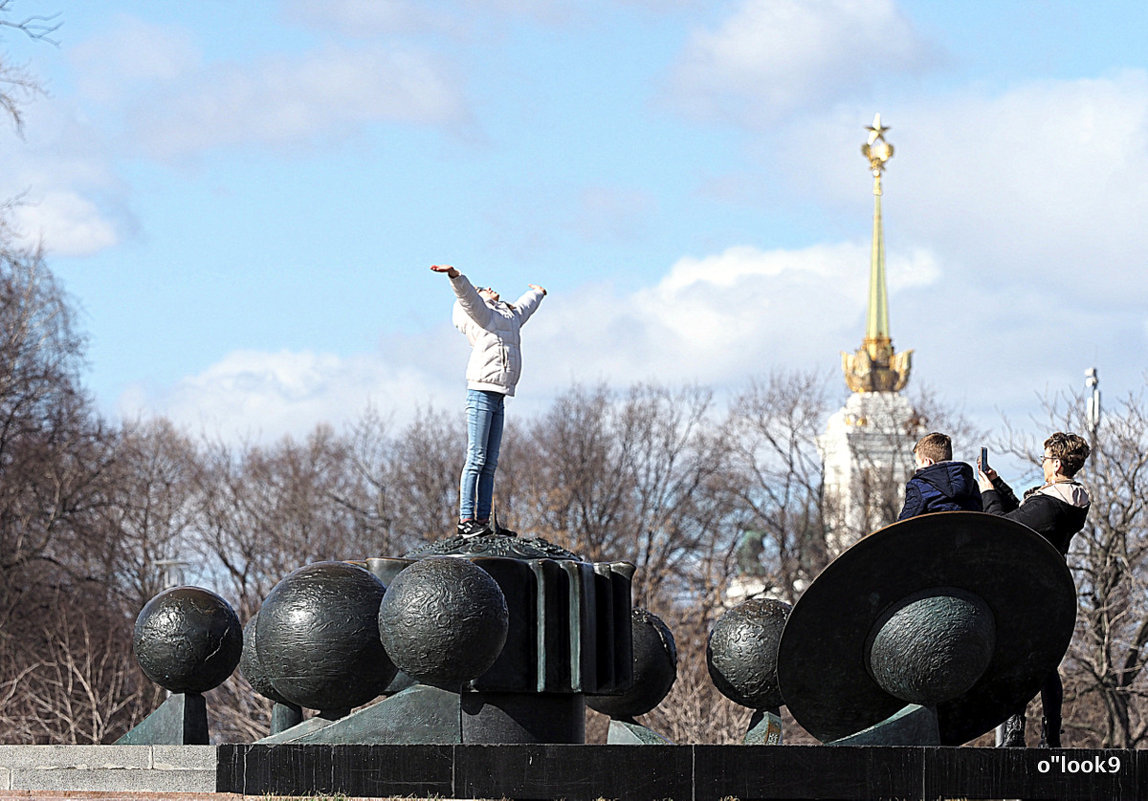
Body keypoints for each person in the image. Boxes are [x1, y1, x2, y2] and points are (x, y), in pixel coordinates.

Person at [978, 431, 1092, 748]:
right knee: (1044, 663)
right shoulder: (1066, 501)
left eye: (1044, 459)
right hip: (1053, 587)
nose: (1042, 465)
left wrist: (987, 493)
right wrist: (998, 484)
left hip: (1029, 589)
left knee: (1018, 659)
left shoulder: (1050, 506)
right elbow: (1024, 513)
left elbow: (1002, 526)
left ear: (1056, 464)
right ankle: (1050, 734)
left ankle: (1017, 732)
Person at [430, 264, 547, 538]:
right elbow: (467, 297)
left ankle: (483, 520)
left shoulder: (506, 316)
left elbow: (523, 308)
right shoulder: (483, 315)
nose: (492, 288)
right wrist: (456, 276)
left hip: (499, 394)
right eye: (486, 288)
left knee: (491, 461)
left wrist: (538, 294)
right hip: (481, 392)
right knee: (477, 457)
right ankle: (466, 519)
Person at [897, 432, 982, 520]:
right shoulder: (971, 484)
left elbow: (904, 523)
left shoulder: (918, 485)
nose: (917, 469)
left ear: (928, 462)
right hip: (968, 532)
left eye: (918, 464)